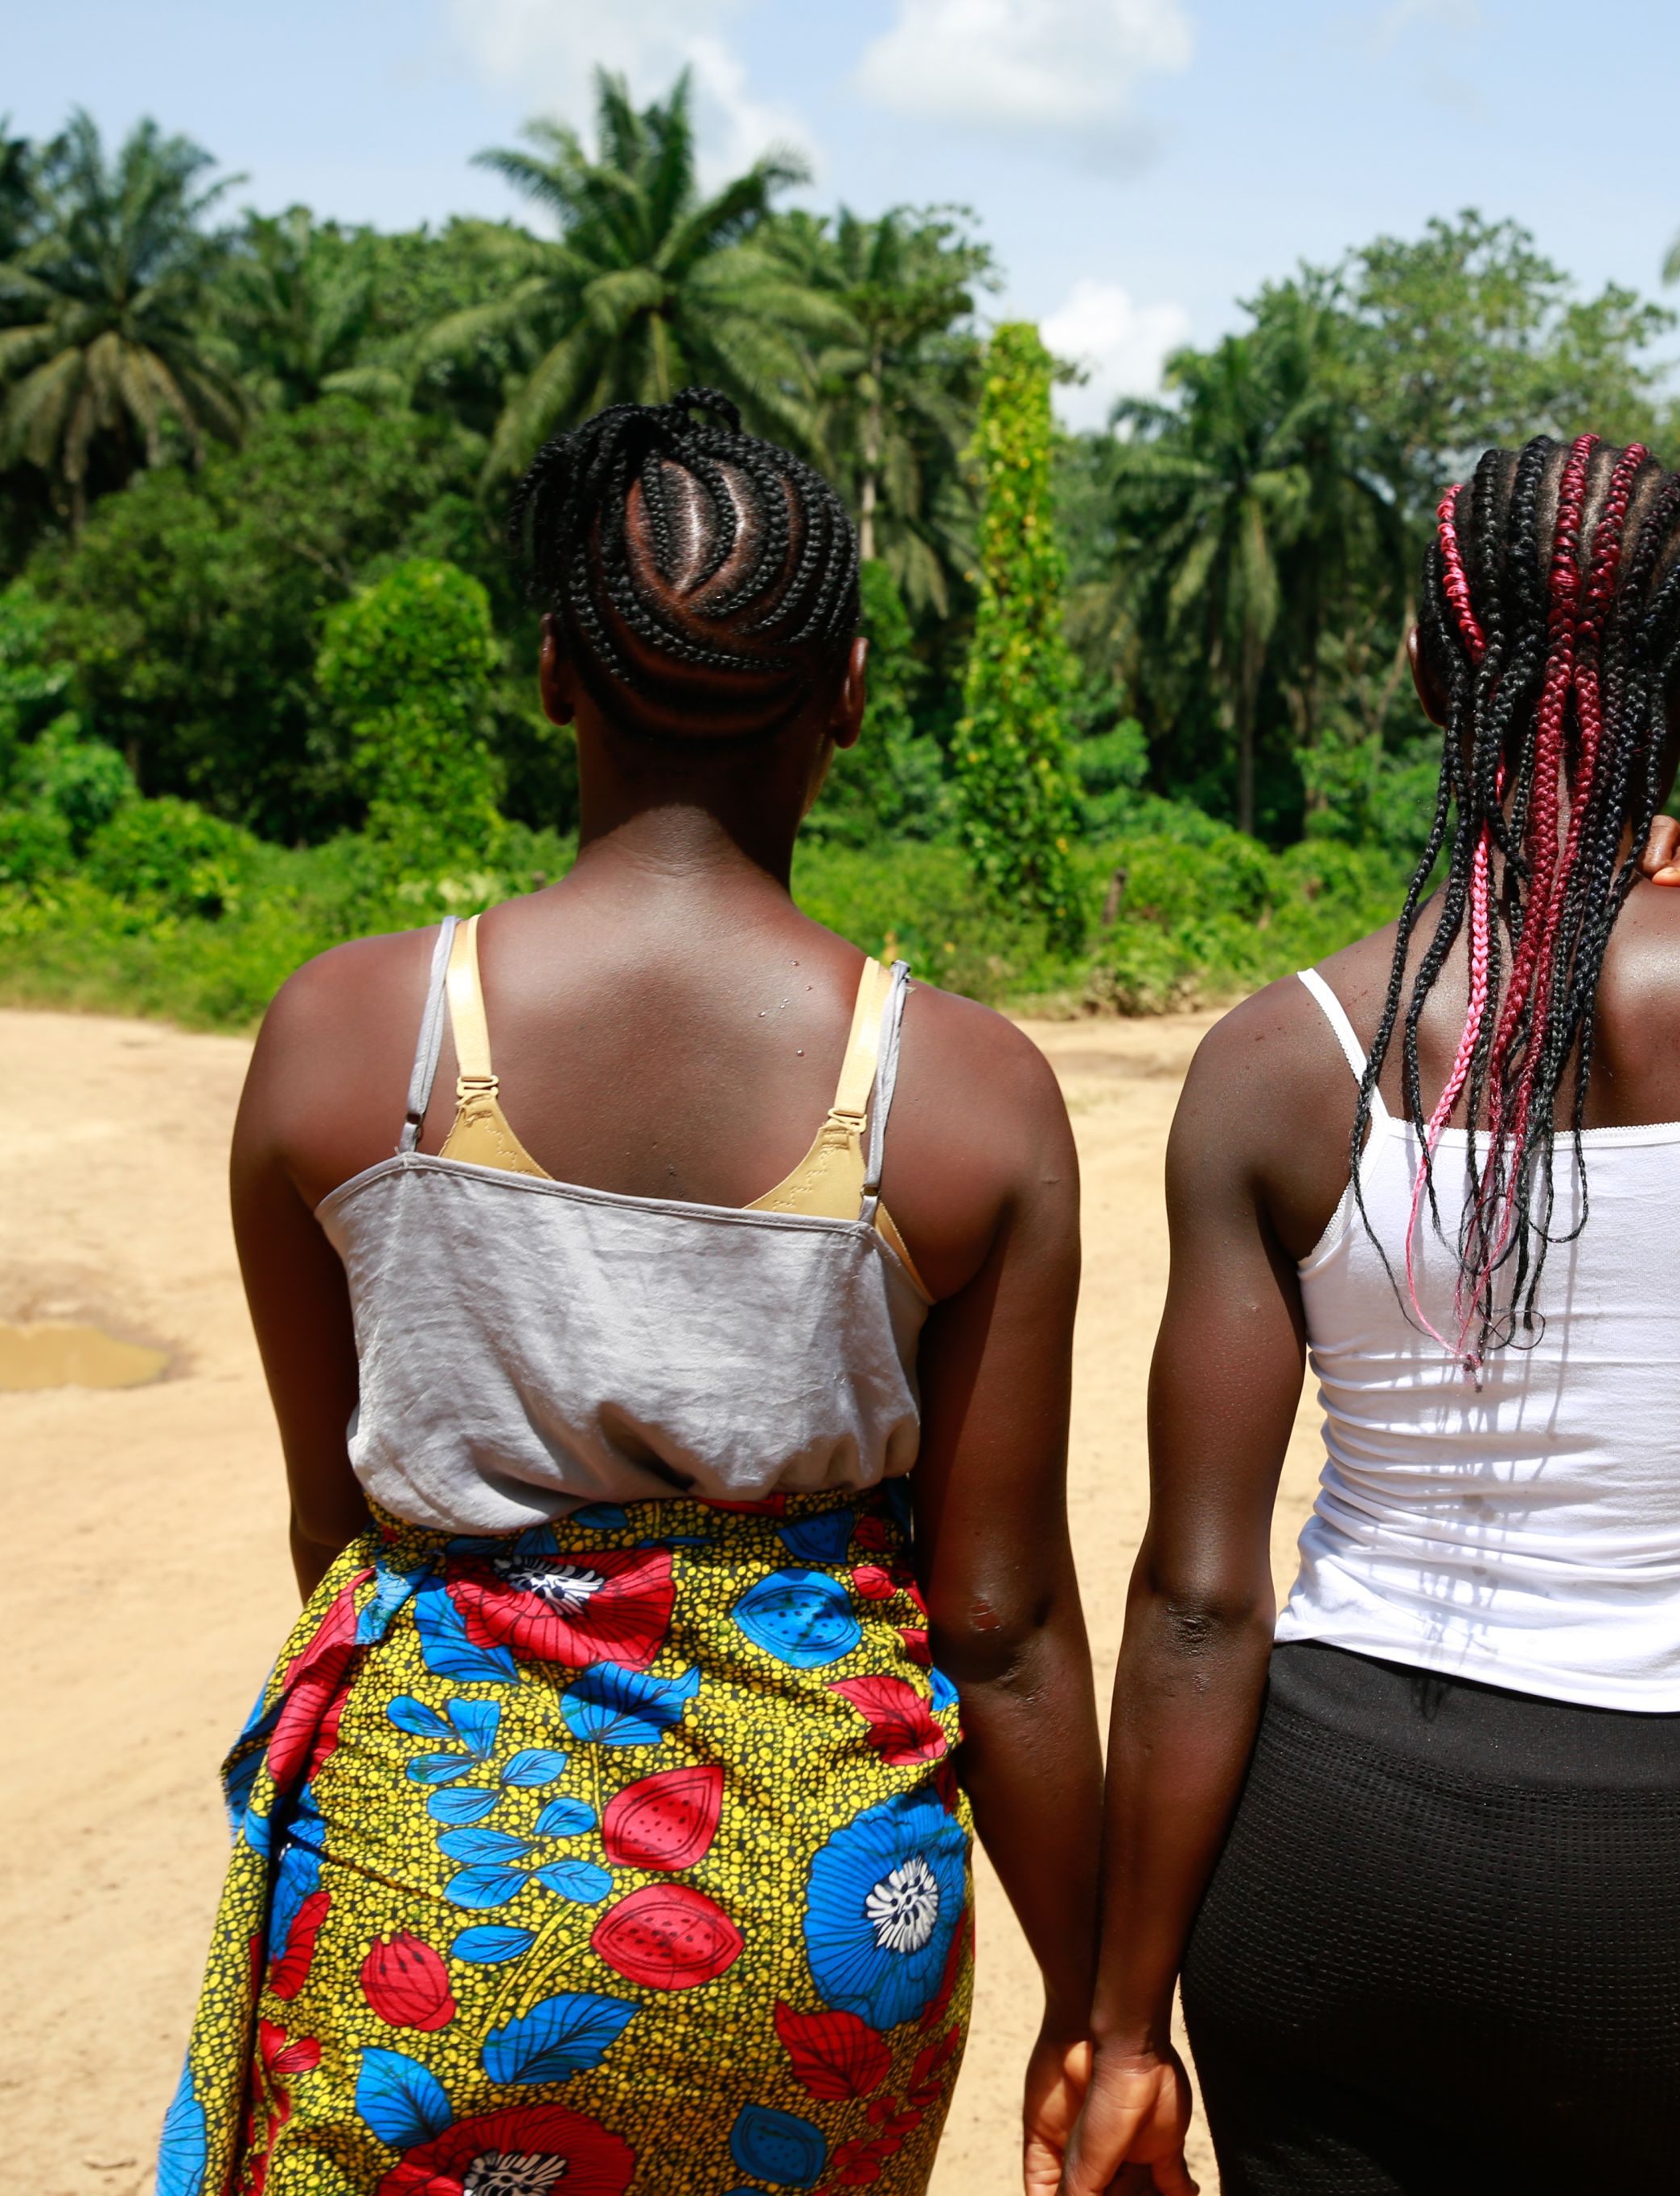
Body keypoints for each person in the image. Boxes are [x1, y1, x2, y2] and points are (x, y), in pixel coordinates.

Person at [160, 389, 1103, 2196]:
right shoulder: (965, 1096)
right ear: (843, 689)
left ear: (547, 675)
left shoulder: (352, 1037)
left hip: (433, 1896)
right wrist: (1102, 2004)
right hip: (820, 1928)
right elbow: (1002, 1628)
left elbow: (334, 1525)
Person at [1068, 435, 1680, 2194]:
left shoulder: (1276, 1058)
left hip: (1325, 1850)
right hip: (1642, 1874)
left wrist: (1123, 2032)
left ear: (1426, 672)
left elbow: (1199, 1601)